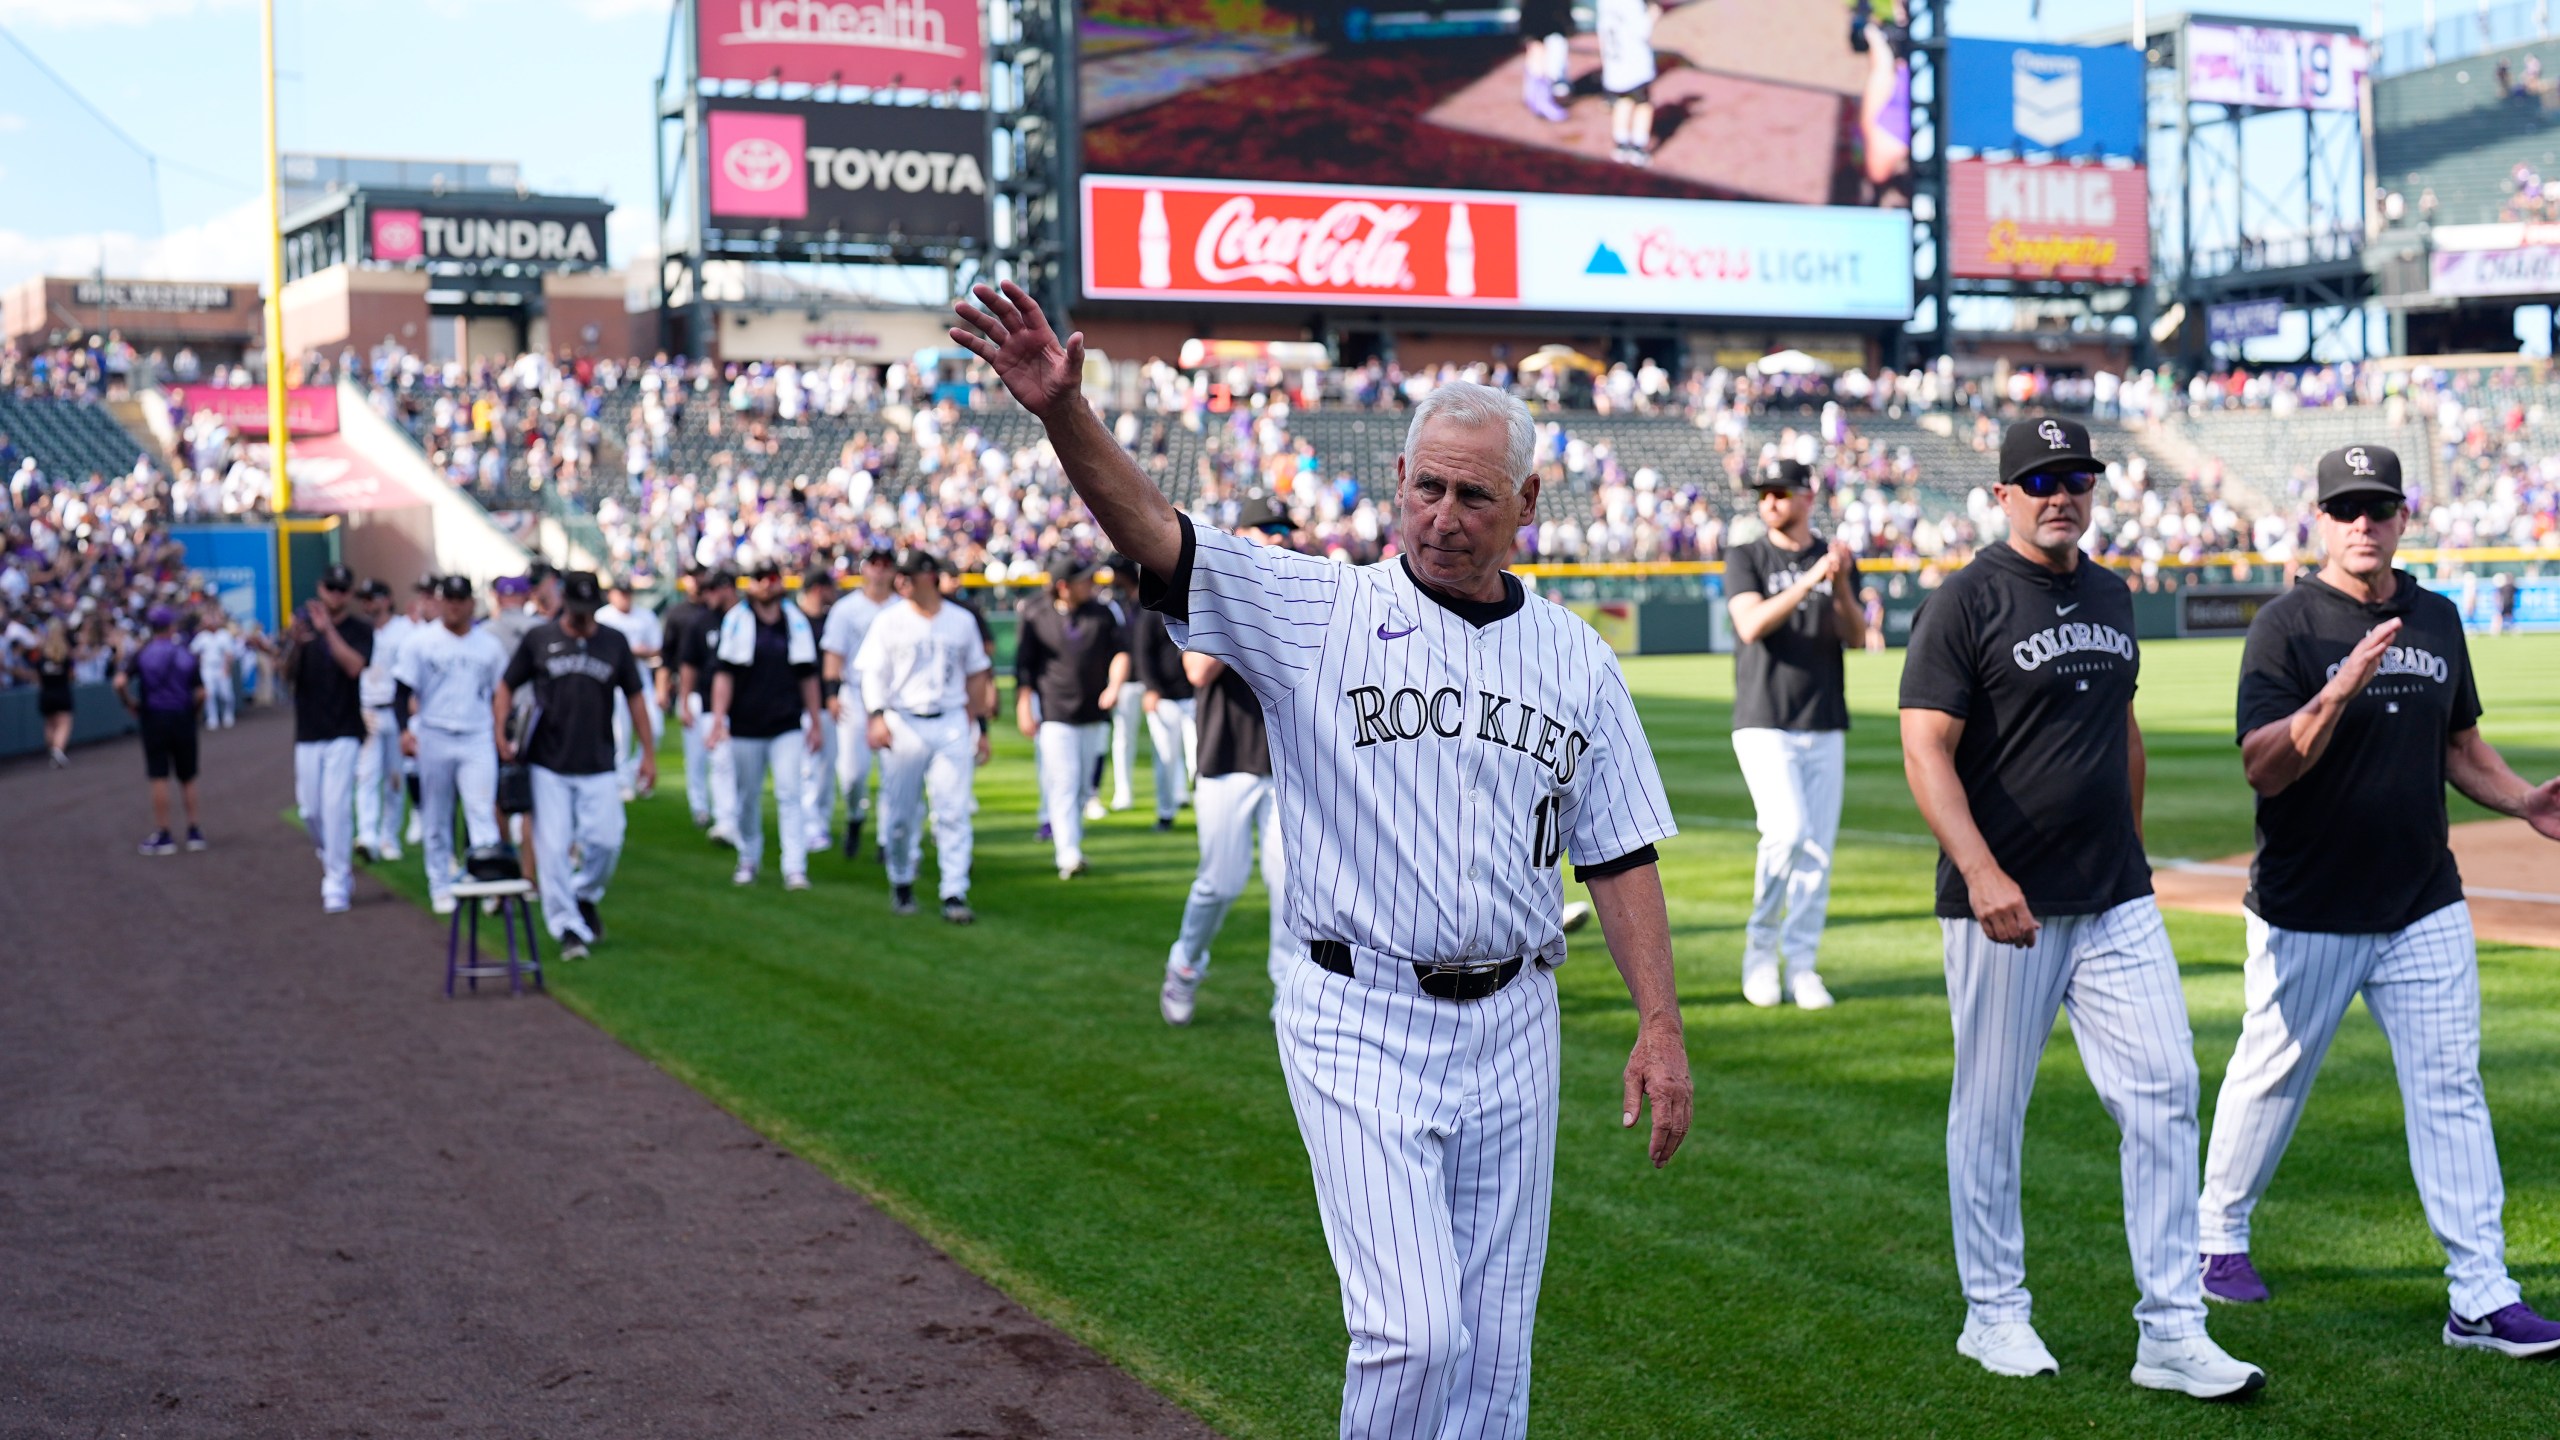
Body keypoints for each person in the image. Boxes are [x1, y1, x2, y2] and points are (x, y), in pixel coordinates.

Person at [954, 283, 1691, 1440]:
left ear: (1528, 504)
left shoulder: (1577, 660)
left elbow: (1620, 851)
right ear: (1397, 484)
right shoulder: (1315, 607)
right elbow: (1158, 533)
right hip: (1357, 1009)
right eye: (1427, 487)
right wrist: (1062, 417)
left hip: (1517, 1021)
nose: (1445, 515)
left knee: (1495, 1353)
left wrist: (1661, 1023)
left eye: (1474, 494)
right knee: (1413, 1332)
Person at [1897, 418, 2260, 1397]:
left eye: (2076, 478)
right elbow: (1925, 746)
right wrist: (1978, 871)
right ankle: (1993, 1314)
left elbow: (2122, 729)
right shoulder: (1965, 599)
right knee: (1990, 1111)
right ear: (2004, 494)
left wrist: (2134, 854)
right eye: (2039, 479)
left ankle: (2172, 1331)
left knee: (2165, 1090)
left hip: (2112, 898)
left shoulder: (2109, 591)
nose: (2060, 494)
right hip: (2002, 904)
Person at [2198, 444, 2560, 1356]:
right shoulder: (2285, 627)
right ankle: (2217, 1236)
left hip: (2423, 899)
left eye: (2379, 507)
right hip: (2308, 904)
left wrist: (2522, 800)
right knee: (2271, 1078)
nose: (2364, 523)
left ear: (2404, 517)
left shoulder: (2436, 617)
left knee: (2450, 1089)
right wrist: (2338, 688)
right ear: (2319, 520)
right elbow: (2263, 766)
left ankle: (2479, 1295)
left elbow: (2460, 747)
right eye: (2346, 508)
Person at [1724, 458, 1863, 1010]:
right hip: (1763, 717)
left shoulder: (1836, 557)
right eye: (1764, 494)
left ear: (1809, 497)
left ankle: (1802, 964)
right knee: (1787, 832)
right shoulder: (1746, 555)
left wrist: (1842, 585)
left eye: (1780, 492)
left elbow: (1856, 634)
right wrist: (1811, 579)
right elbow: (1751, 624)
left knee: (1818, 852)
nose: (1770, 502)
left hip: (1823, 716)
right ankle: (1760, 954)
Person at [1157, 495, 1294, 1025]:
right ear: (1242, 535)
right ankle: (1185, 965)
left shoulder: (1302, 593)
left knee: (1291, 885)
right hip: (1226, 755)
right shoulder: (1218, 591)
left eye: (1284, 528)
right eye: (1268, 529)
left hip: (1285, 763)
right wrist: (1249, 605)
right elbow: (1197, 672)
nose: (1279, 537)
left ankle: (1288, 993)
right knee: (1221, 880)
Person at [497, 570, 654, 961]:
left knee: (607, 840)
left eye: (590, 609)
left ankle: (584, 895)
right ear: (564, 600)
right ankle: (567, 927)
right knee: (552, 849)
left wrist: (648, 753)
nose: (584, 617)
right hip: (549, 761)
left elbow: (636, 698)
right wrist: (501, 730)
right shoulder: (540, 638)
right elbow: (506, 685)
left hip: (599, 760)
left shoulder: (613, 642)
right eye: (578, 608)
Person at [855, 547, 994, 921]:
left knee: (953, 810)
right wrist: (876, 716)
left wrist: (979, 726)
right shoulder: (889, 620)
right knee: (900, 815)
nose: (901, 582)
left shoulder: (961, 621)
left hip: (949, 718)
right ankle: (901, 881)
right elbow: (872, 674)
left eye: (909, 576)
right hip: (903, 719)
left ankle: (954, 891)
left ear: (929, 577)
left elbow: (977, 674)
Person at [706, 555, 823, 889]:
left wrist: (814, 721)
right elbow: (724, 674)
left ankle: (795, 866)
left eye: (772, 577)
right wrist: (718, 719)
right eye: (760, 577)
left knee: (790, 792)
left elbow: (807, 675)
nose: (767, 583)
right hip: (745, 722)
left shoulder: (794, 621)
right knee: (746, 797)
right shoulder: (737, 620)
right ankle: (748, 858)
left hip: (786, 721)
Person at [397, 574, 508, 917]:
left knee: (481, 810)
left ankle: (486, 881)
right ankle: (440, 885)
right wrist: (404, 730)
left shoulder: (488, 645)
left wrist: (500, 730)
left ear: (471, 603)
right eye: (449, 599)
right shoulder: (420, 642)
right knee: (436, 814)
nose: (454, 605)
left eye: (460, 599)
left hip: (476, 735)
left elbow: (500, 691)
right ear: (440, 601)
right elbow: (402, 689)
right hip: (435, 734)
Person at [1015, 549, 1128, 879]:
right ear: (1063, 585)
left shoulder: (1103, 613)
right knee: (1063, 782)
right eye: (1084, 579)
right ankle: (1068, 853)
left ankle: (1073, 844)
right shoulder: (1036, 613)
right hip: (1054, 711)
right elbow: (1025, 667)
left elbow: (1121, 653)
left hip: (1094, 711)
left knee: (1081, 788)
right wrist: (1024, 705)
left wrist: (1115, 685)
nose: (1091, 583)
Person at [285, 565, 374, 914]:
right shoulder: (303, 626)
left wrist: (327, 632)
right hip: (308, 730)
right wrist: (295, 643)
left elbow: (354, 667)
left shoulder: (359, 630)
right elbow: (286, 674)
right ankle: (333, 853)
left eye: (342, 589)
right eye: (330, 588)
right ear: (321, 588)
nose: (335, 595)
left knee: (336, 807)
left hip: (345, 728)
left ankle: (336, 880)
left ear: (349, 594)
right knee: (310, 809)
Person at [820, 544, 901, 858]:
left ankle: (885, 838)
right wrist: (831, 694)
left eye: (885, 563)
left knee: (894, 773)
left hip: (893, 699)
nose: (880, 569)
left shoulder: (902, 607)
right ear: (864, 568)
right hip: (853, 694)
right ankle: (855, 817)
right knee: (853, 775)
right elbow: (833, 654)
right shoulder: (846, 608)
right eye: (874, 563)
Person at [118, 604, 205, 855]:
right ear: (171, 626)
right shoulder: (185, 653)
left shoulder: (142, 653)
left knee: (159, 775)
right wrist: (194, 713)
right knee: (187, 776)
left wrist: (130, 704)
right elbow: (201, 694)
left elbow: (120, 682)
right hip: (183, 717)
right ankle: (194, 831)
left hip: (154, 717)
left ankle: (164, 833)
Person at [674, 568, 740, 838]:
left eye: (712, 589)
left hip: (746, 704)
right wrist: (685, 700)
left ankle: (737, 818)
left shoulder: (747, 618)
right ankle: (725, 820)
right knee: (720, 761)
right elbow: (689, 664)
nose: (706, 595)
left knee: (742, 768)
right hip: (709, 702)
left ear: (727, 588)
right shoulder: (700, 621)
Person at [354, 579, 414, 863]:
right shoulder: (360, 630)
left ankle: (389, 836)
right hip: (367, 708)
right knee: (366, 775)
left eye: (373, 598)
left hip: (395, 709)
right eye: (365, 599)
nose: (369, 604)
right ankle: (368, 835)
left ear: (388, 599)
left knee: (394, 778)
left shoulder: (404, 630)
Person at [1130, 581, 1196, 832]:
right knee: (1165, 759)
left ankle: (1206, 812)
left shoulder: (1195, 605)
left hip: (1194, 695)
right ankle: (1165, 813)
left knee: (1199, 758)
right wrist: (1151, 688)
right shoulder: (1151, 612)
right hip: (1164, 698)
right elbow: (1142, 653)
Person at [595, 577, 664, 803]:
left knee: (654, 728)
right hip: (612, 680)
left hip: (640, 676)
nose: (624, 596)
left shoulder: (645, 616)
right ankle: (623, 781)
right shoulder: (603, 616)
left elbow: (657, 651)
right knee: (620, 733)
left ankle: (639, 770)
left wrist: (638, 653)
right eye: (620, 592)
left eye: (627, 592)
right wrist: (632, 651)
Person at [791, 566, 841, 854]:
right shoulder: (793, 620)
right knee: (806, 769)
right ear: (819, 588)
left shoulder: (831, 621)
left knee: (824, 768)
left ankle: (818, 822)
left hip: (824, 704)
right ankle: (809, 825)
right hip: (796, 706)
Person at [1101, 558, 1147, 813]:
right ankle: (1123, 791)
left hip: (1152, 681)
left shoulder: (1148, 598)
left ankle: (1178, 791)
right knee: (1122, 739)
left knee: (1167, 742)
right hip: (1127, 681)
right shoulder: (1113, 602)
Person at [1596, 0, 1660, 165]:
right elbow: (1642, 30)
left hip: (1614, 63)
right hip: (1635, 65)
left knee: (1622, 102)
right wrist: (1653, 15)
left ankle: (1621, 145)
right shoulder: (1632, 4)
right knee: (1643, 105)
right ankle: (1638, 148)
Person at [31, 619, 76, 767]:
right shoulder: (64, 655)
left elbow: (37, 677)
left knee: (50, 724)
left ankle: (54, 752)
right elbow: (71, 675)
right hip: (61, 692)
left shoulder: (42, 655)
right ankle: (57, 751)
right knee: (63, 723)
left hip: (46, 693)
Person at [191, 610, 242, 729]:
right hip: (207, 668)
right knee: (210, 694)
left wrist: (227, 668)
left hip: (221, 667)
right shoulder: (202, 636)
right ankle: (212, 717)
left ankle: (228, 714)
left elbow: (230, 653)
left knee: (226, 694)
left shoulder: (224, 635)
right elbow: (193, 652)